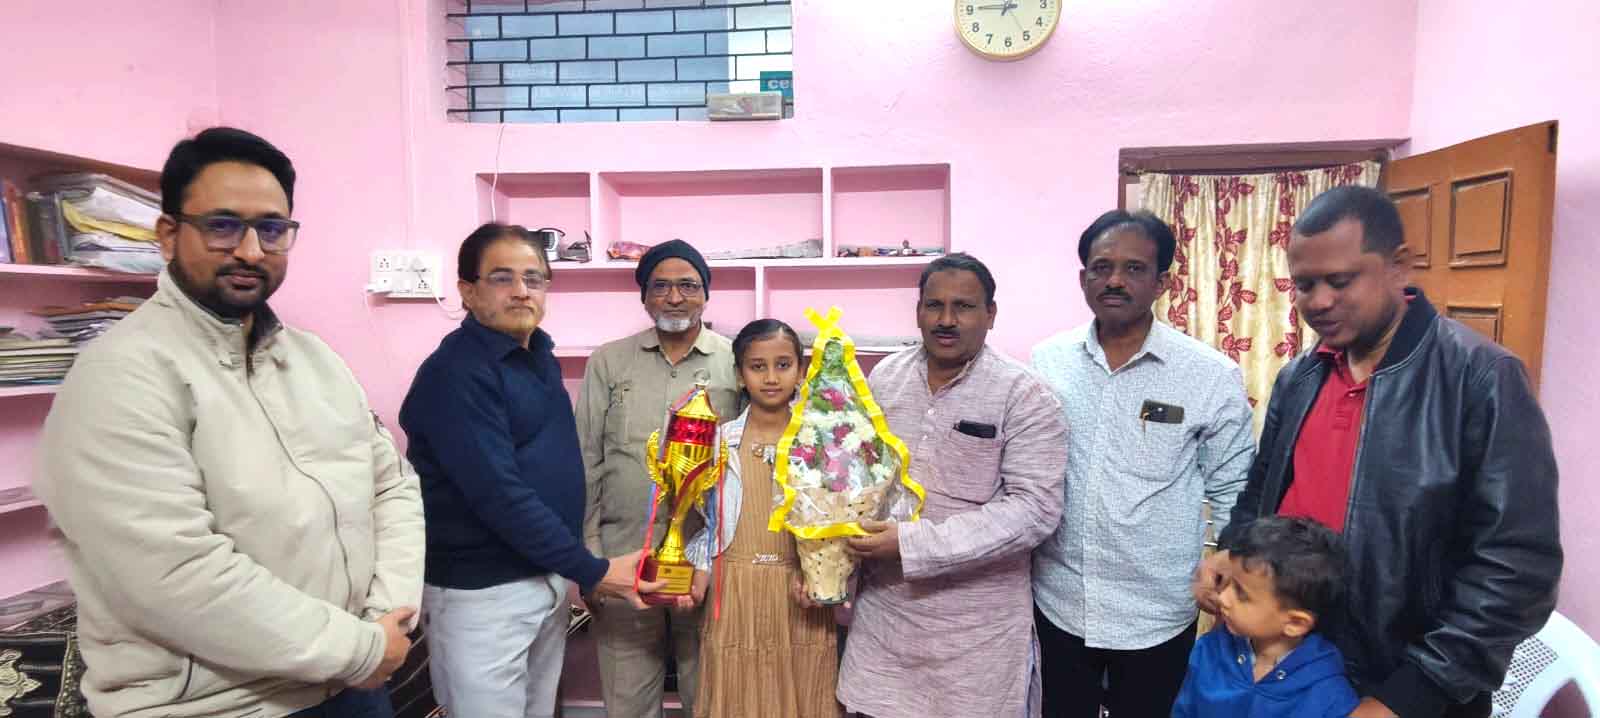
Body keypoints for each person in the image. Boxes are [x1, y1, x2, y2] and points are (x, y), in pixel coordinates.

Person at [34, 127, 423, 718]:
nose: (250, 250)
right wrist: (359, 648)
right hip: (219, 705)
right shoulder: (120, 375)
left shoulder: (316, 360)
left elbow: (392, 488)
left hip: (350, 683)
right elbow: (175, 574)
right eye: (222, 225)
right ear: (168, 235)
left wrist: (382, 623)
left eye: (271, 228)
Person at [1194, 185, 1562, 718]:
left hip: (1404, 684)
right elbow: (1262, 490)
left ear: (1399, 266)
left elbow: (1517, 566)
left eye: (1341, 280)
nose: (1319, 301)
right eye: (1305, 284)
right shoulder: (1300, 377)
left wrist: (1408, 695)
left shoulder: (1479, 377)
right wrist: (1231, 553)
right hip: (1292, 665)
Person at [398, 223, 663, 718]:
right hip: (483, 593)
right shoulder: (456, 374)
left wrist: (573, 565)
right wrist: (592, 569)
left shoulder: (536, 356)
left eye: (534, 278)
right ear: (468, 291)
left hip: (544, 578)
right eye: (502, 277)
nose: (522, 291)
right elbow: (499, 494)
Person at [1030, 209, 1254, 717]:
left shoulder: (1209, 375)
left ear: (1161, 283)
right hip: (1060, 599)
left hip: (1158, 609)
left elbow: (1234, 486)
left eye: (1134, 268)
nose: (1114, 280)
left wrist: (1226, 566)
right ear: (1083, 278)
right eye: (1101, 267)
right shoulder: (1047, 362)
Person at [837, 252, 1068, 718]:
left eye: (963, 307)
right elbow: (860, 476)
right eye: (934, 305)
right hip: (884, 621)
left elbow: (1034, 510)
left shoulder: (1025, 394)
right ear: (918, 311)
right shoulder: (885, 377)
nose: (946, 320)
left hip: (976, 635)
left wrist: (911, 544)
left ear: (991, 314)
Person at [577, 239, 740, 716]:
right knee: (627, 701)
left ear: (705, 294)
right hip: (622, 559)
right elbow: (586, 459)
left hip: (709, 561)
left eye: (687, 286)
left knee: (710, 699)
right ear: (644, 297)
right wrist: (590, 561)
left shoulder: (735, 361)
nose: (674, 298)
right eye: (660, 286)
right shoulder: (609, 362)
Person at [681, 318, 842, 718]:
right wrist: (699, 569)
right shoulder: (719, 443)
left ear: (801, 371)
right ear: (740, 375)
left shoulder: (823, 444)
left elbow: (839, 523)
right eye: (758, 366)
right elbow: (709, 522)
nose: (771, 377)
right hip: (734, 588)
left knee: (803, 692)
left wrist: (824, 577)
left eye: (783, 365)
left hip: (800, 589)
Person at [1172, 516, 1359, 718]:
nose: (1223, 597)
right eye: (1228, 582)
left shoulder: (1330, 698)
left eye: (1241, 593)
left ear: (1295, 623)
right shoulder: (1209, 649)